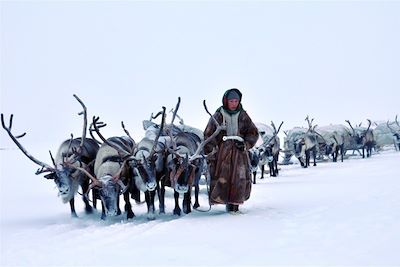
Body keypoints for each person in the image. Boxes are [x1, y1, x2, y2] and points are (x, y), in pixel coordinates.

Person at [203, 88, 259, 213]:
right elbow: (208, 135)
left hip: (240, 153)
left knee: (239, 178)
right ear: (226, 101)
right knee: (223, 177)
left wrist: (245, 144)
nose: (234, 103)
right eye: (231, 101)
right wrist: (212, 153)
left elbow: (253, 132)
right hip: (223, 154)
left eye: (236, 101)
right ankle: (227, 204)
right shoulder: (218, 115)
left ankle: (236, 205)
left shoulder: (243, 115)